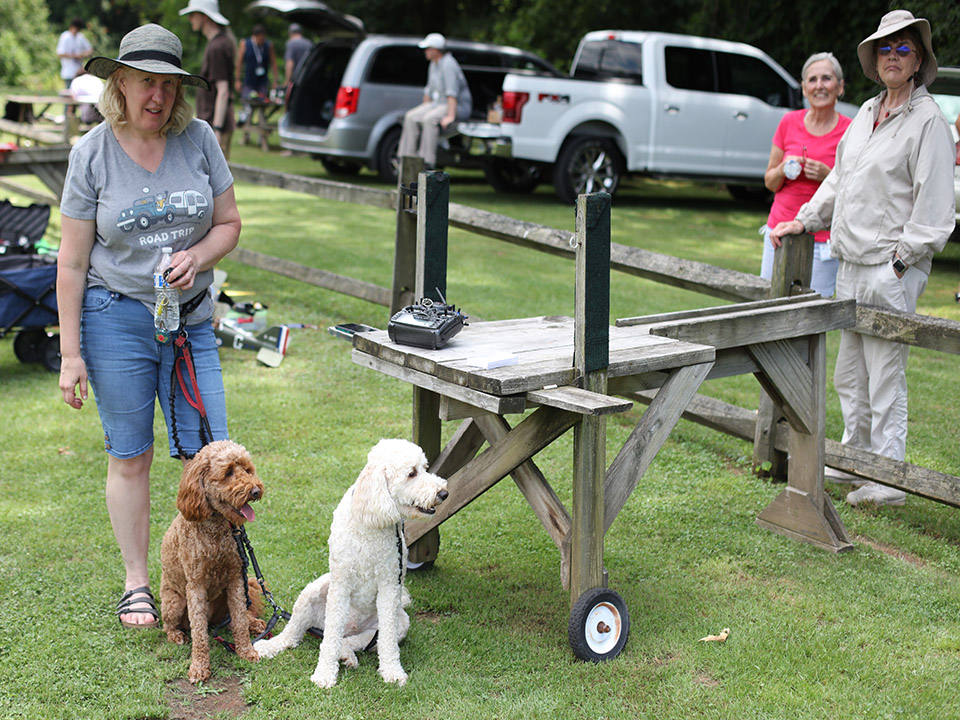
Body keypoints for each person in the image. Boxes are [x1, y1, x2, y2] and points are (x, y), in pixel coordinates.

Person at [56, 23, 242, 628]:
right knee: (131, 454)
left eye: (166, 84)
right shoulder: (92, 152)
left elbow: (229, 223)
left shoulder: (200, 140)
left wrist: (200, 257)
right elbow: (74, 259)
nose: (156, 96)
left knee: (210, 451)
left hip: (191, 320)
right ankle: (140, 582)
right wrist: (70, 353)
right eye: (144, 83)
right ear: (120, 84)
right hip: (116, 316)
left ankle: (223, 586)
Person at [770, 10, 955, 506]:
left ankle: (888, 478)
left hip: (888, 268)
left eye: (904, 48)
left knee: (884, 374)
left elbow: (937, 210)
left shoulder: (929, 121)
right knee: (849, 374)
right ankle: (855, 464)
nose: (893, 56)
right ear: (874, 60)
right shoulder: (868, 114)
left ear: (918, 60)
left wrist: (901, 260)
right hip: (851, 262)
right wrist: (804, 219)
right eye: (885, 49)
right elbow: (839, 180)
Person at [760, 52, 851, 298]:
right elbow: (770, 181)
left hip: (822, 238)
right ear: (803, 88)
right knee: (769, 304)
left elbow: (855, 189)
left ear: (840, 87)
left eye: (827, 78)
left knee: (813, 308)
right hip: (779, 231)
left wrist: (827, 174)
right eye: (812, 80)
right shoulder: (788, 122)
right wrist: (782, 169)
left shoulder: (850, 130)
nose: (819, 86)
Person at [398, 32, 472, 169]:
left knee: (429, 119)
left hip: (455, 107)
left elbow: (452, 93)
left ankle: (427, 161)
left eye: (427, 48)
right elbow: (429, 90)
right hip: (438, 104)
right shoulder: (433, 64)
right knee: (410, 117)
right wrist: (424, 108)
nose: (425, 51)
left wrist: (450, 116)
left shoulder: (449, 65)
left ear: (436, 50)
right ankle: (406, 158)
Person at [180, 0, 235, 160]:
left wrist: (216, 129)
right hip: (212, 123)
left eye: (192, 15)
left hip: (217, 125)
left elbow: (223, 90)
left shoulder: (218, 47)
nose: (190, 19)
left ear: (204, 16)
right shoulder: (218, 43)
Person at [235, 24, 279, 133]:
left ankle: (261, 133)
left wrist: (275, 80)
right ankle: (246, 133)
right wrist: (237, 79)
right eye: (260, 38)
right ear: (255, 36)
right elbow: (239, 63)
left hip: (262, 82)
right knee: (248, 106)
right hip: (249, 80)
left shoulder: (268, 45)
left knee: (261, 106)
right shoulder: (245, 44)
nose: (262, 40)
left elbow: (273, 63)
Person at [56, 18, 93, 88]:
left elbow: (90, 50)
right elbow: (60, 53)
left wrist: (83, 55)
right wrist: (75, 56)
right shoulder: (65, 36)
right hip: (68, 72)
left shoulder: (80, 36)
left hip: (79, 72)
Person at [283, 23, 312, 88]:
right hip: (307, 78)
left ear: (290, 33)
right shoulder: (309, 43)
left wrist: (287, 81)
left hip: (295, 80)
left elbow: (290, 63)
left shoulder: (291, 43)